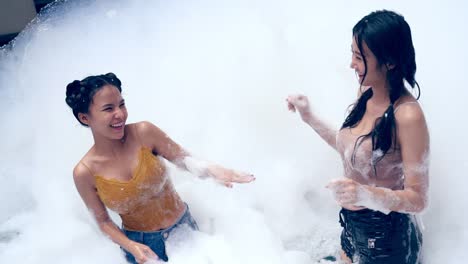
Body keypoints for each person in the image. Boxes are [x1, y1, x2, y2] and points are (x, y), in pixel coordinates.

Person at [65, 73, 255, 263]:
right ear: (84, 118)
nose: (120, 114)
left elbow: (183, 158)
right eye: (108, 108)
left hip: (185, 233)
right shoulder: (84, 172)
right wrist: (131, 246)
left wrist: (213, 170)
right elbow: (104, 222)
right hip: (142, 249)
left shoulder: (143, 132)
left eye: (122, 104)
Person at [286, 10, 429, 263]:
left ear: (390, 62)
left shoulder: (407, 116)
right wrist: (309, 117)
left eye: (359, 57)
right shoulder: (366, 91)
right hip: (353, 227)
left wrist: (365, 194)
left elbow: (418, 199)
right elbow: (353, 151)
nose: (352, 64)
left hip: (388, 239)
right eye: (352, 54)